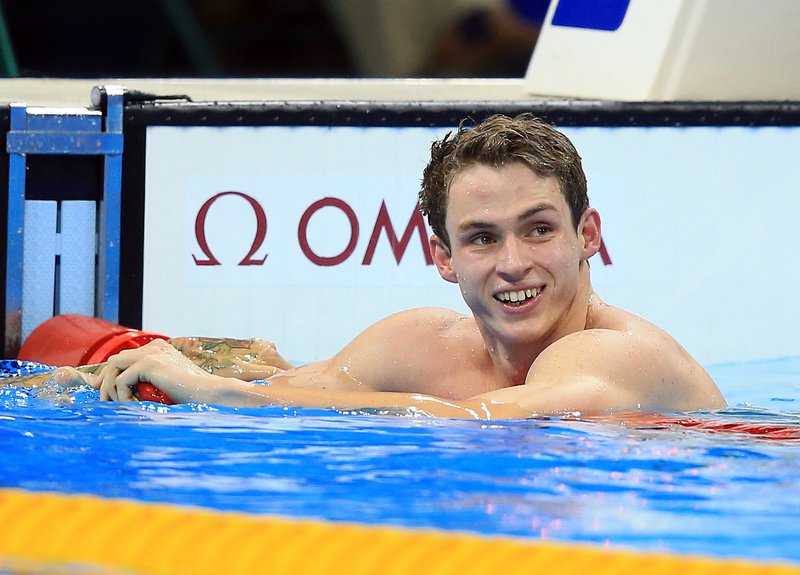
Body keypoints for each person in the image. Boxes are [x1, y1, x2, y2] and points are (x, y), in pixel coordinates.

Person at [10, 114, 726, 419]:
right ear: (442, 257)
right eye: (482, 238)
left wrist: (224, 393)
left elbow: (481, 421)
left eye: (538, 230)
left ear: (587, 235)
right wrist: (106, 374)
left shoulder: (613, 355)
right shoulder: (422, 341)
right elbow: (294, 388)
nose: (514, 264)